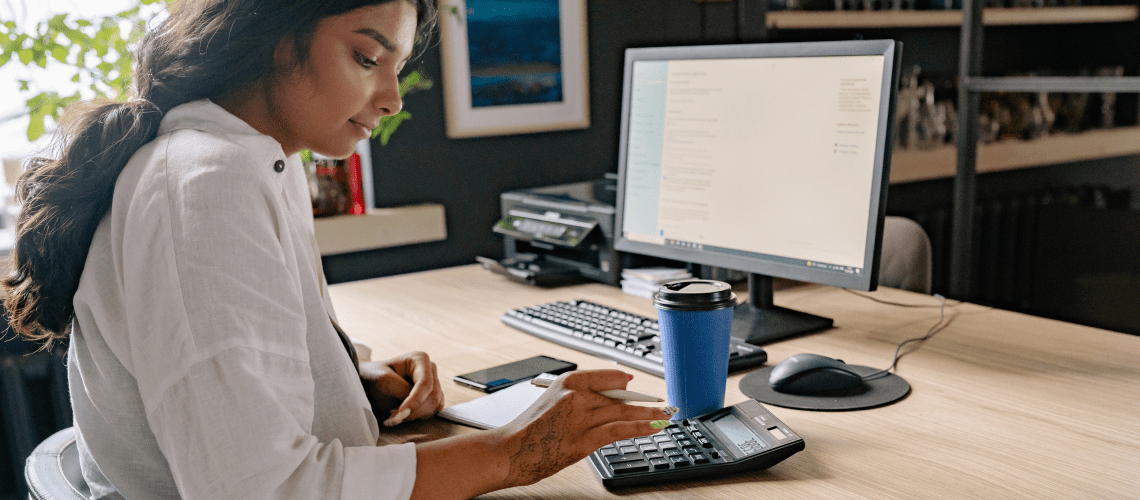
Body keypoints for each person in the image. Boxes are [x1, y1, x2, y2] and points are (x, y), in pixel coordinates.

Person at [1, 1, 671, 498]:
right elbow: (257, 489)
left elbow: (226, 380)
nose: (391, 98)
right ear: (274, 35)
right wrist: (514, 453)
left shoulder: (256, 160)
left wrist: (348, 384)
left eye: (397, 67)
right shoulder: (206, 185)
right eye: (365, 57)